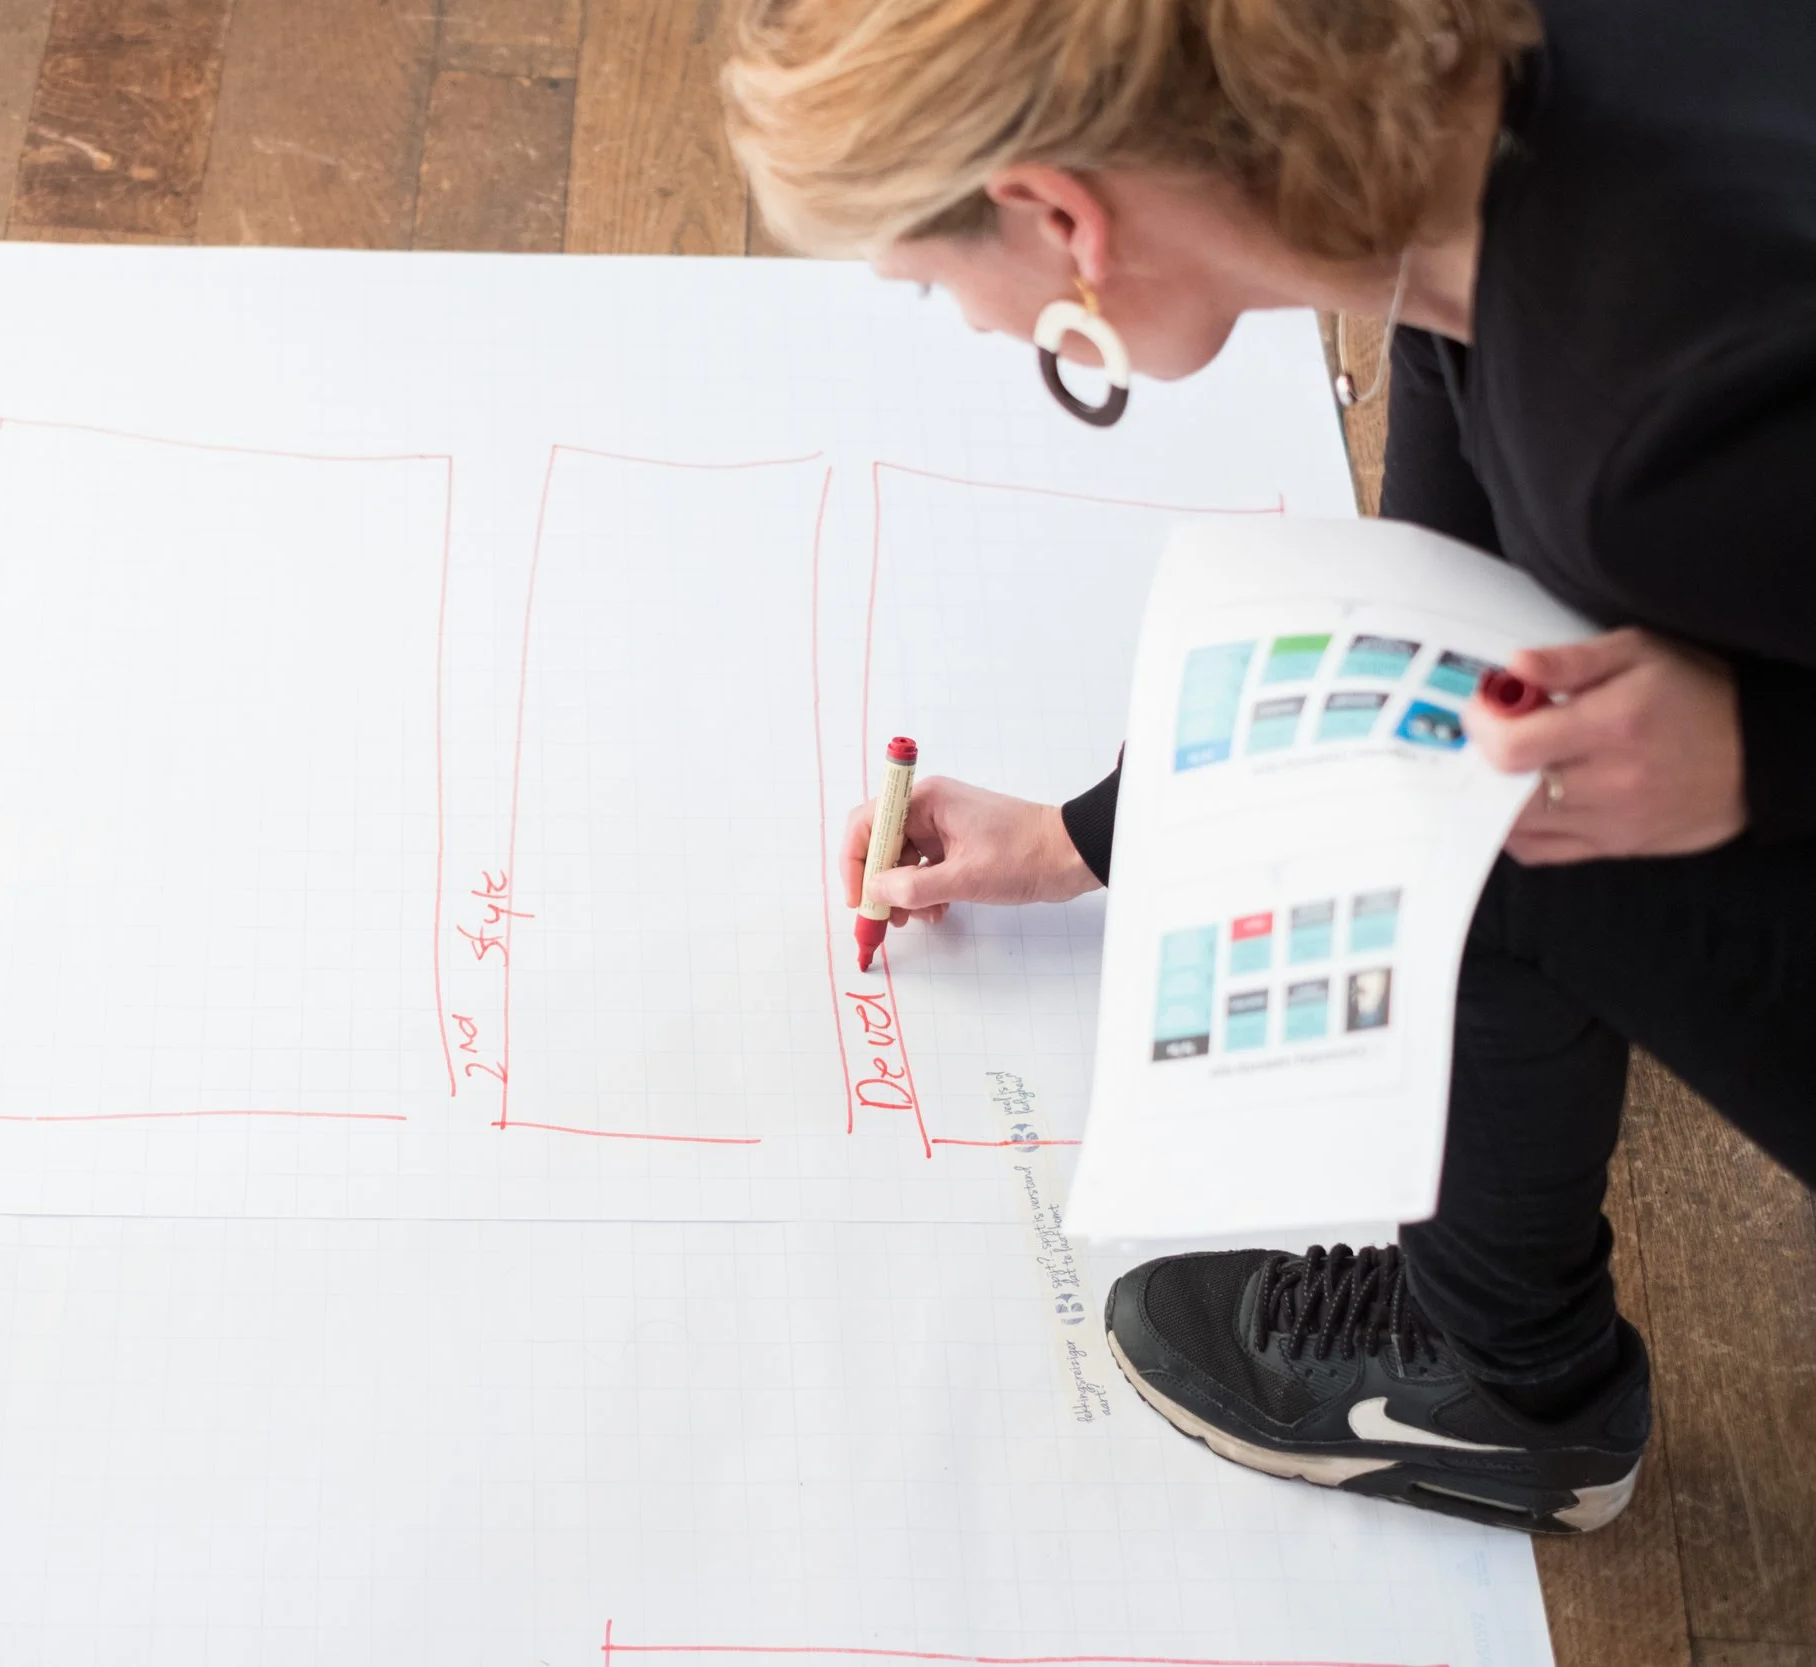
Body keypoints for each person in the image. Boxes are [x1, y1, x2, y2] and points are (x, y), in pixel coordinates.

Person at [723, 0, 1816, 1535]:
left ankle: (1509, 1385)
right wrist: (1102, 833)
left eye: (932, 284)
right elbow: (1438, 605)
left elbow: (1457, 710)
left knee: (1479, 820)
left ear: (1059, 217)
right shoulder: (1476, 175)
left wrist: (1759, 758)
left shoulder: (1635, 438)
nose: (970, 324)